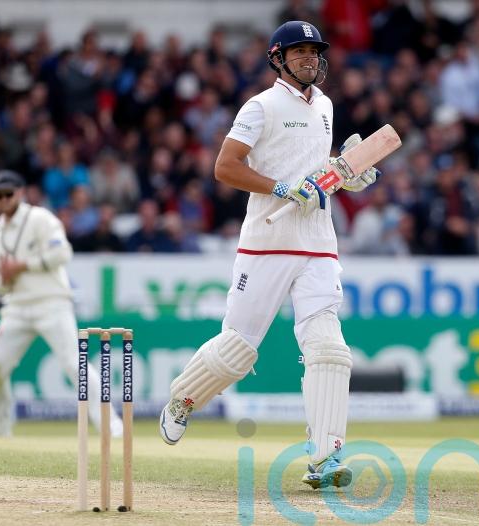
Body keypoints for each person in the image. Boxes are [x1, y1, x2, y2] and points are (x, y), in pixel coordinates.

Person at [158, 21, 378, 490]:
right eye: (299, 52)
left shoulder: (326, 106)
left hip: (318, 242)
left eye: (314, 52)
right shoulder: (260, 106)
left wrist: (346, 175)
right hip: (267, 240)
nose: (310, 59)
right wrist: (280, 188)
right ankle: (183, 397)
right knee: (237, 349)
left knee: (328, 348)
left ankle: (325, 456)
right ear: (278, 59)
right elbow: (225, 168)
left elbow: (315, 173)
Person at [0, 170, 122, 438]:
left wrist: (22, 265)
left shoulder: (40, 219)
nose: (3, 200)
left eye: (8, 194)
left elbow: (62, 253)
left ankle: (111, 426)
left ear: (21, 193)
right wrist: (4, 278)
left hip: (52, 302)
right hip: (17, 308)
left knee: (75, 364)